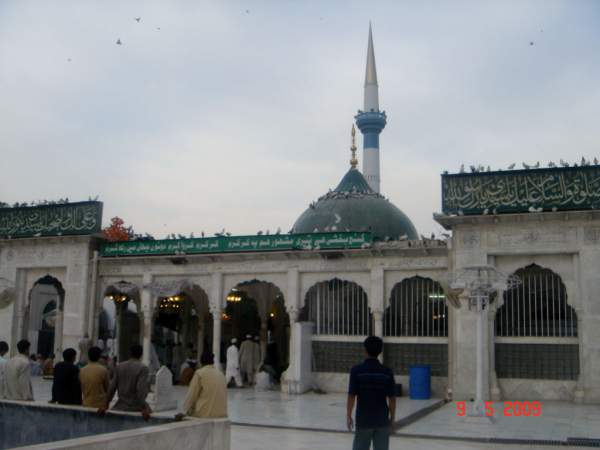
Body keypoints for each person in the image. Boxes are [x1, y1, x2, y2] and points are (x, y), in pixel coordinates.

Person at [346, 336, 396, 450]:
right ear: (380, 351)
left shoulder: (356, 371)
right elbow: (392, 398)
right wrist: (392, 419)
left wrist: (349, 415)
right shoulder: (387, 372)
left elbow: (351, 395)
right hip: (382, 421)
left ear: (365, 350)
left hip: (363, 421)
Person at [105, 344, 151, 419]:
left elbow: (112, 387)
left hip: (120, 405)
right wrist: (143, 407)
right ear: (141, 354)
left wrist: (106, 403)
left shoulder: (119, 366)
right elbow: (141, 390)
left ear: (130, 353)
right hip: (134, 407)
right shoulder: (143, 368)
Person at [179, 352, 227, 419]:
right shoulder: (221, 374)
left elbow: (192, 395)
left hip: (205, 414)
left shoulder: (199, 373)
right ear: (213, 361)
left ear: (201, 362)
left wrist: (184, 412)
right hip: (222, 414)